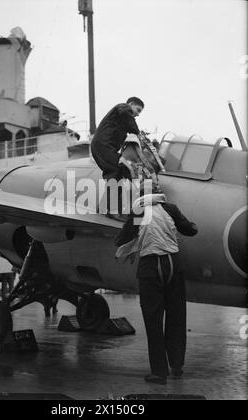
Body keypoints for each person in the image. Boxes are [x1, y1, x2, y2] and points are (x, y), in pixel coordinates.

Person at [116, 191, 198, 385]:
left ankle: (159, 373)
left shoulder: (138, 210)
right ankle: (177, 365)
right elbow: (190, 230)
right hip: (173, 265)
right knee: (177, 316)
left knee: (153, 321)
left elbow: (121, 239)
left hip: (150, 269)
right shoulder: (170, 208)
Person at [91, 97, 144, 182]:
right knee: (114, 170)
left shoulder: (122, 121)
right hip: (103, 145)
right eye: (138, 110)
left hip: (104, 146)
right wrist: (139, 134)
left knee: (119, 170)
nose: (138, 114)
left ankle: (117, 192)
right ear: (131, 104)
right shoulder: (123, 107)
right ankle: (114, 194)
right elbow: (129, 119)